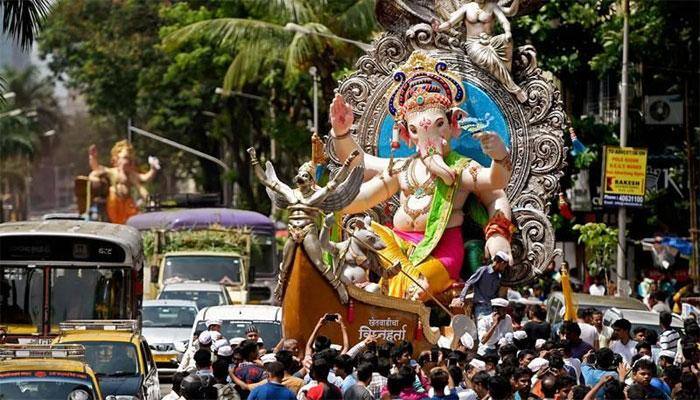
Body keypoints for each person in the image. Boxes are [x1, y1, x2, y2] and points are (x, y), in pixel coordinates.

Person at [451, 253, 509, 327]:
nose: (504, 268)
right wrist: (462, 299)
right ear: (501, 263)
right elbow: (469, 283)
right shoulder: (483, 271)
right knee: (482, 331)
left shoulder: (498, 276)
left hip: (492, 308)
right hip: (480, 308)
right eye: (504, 266)